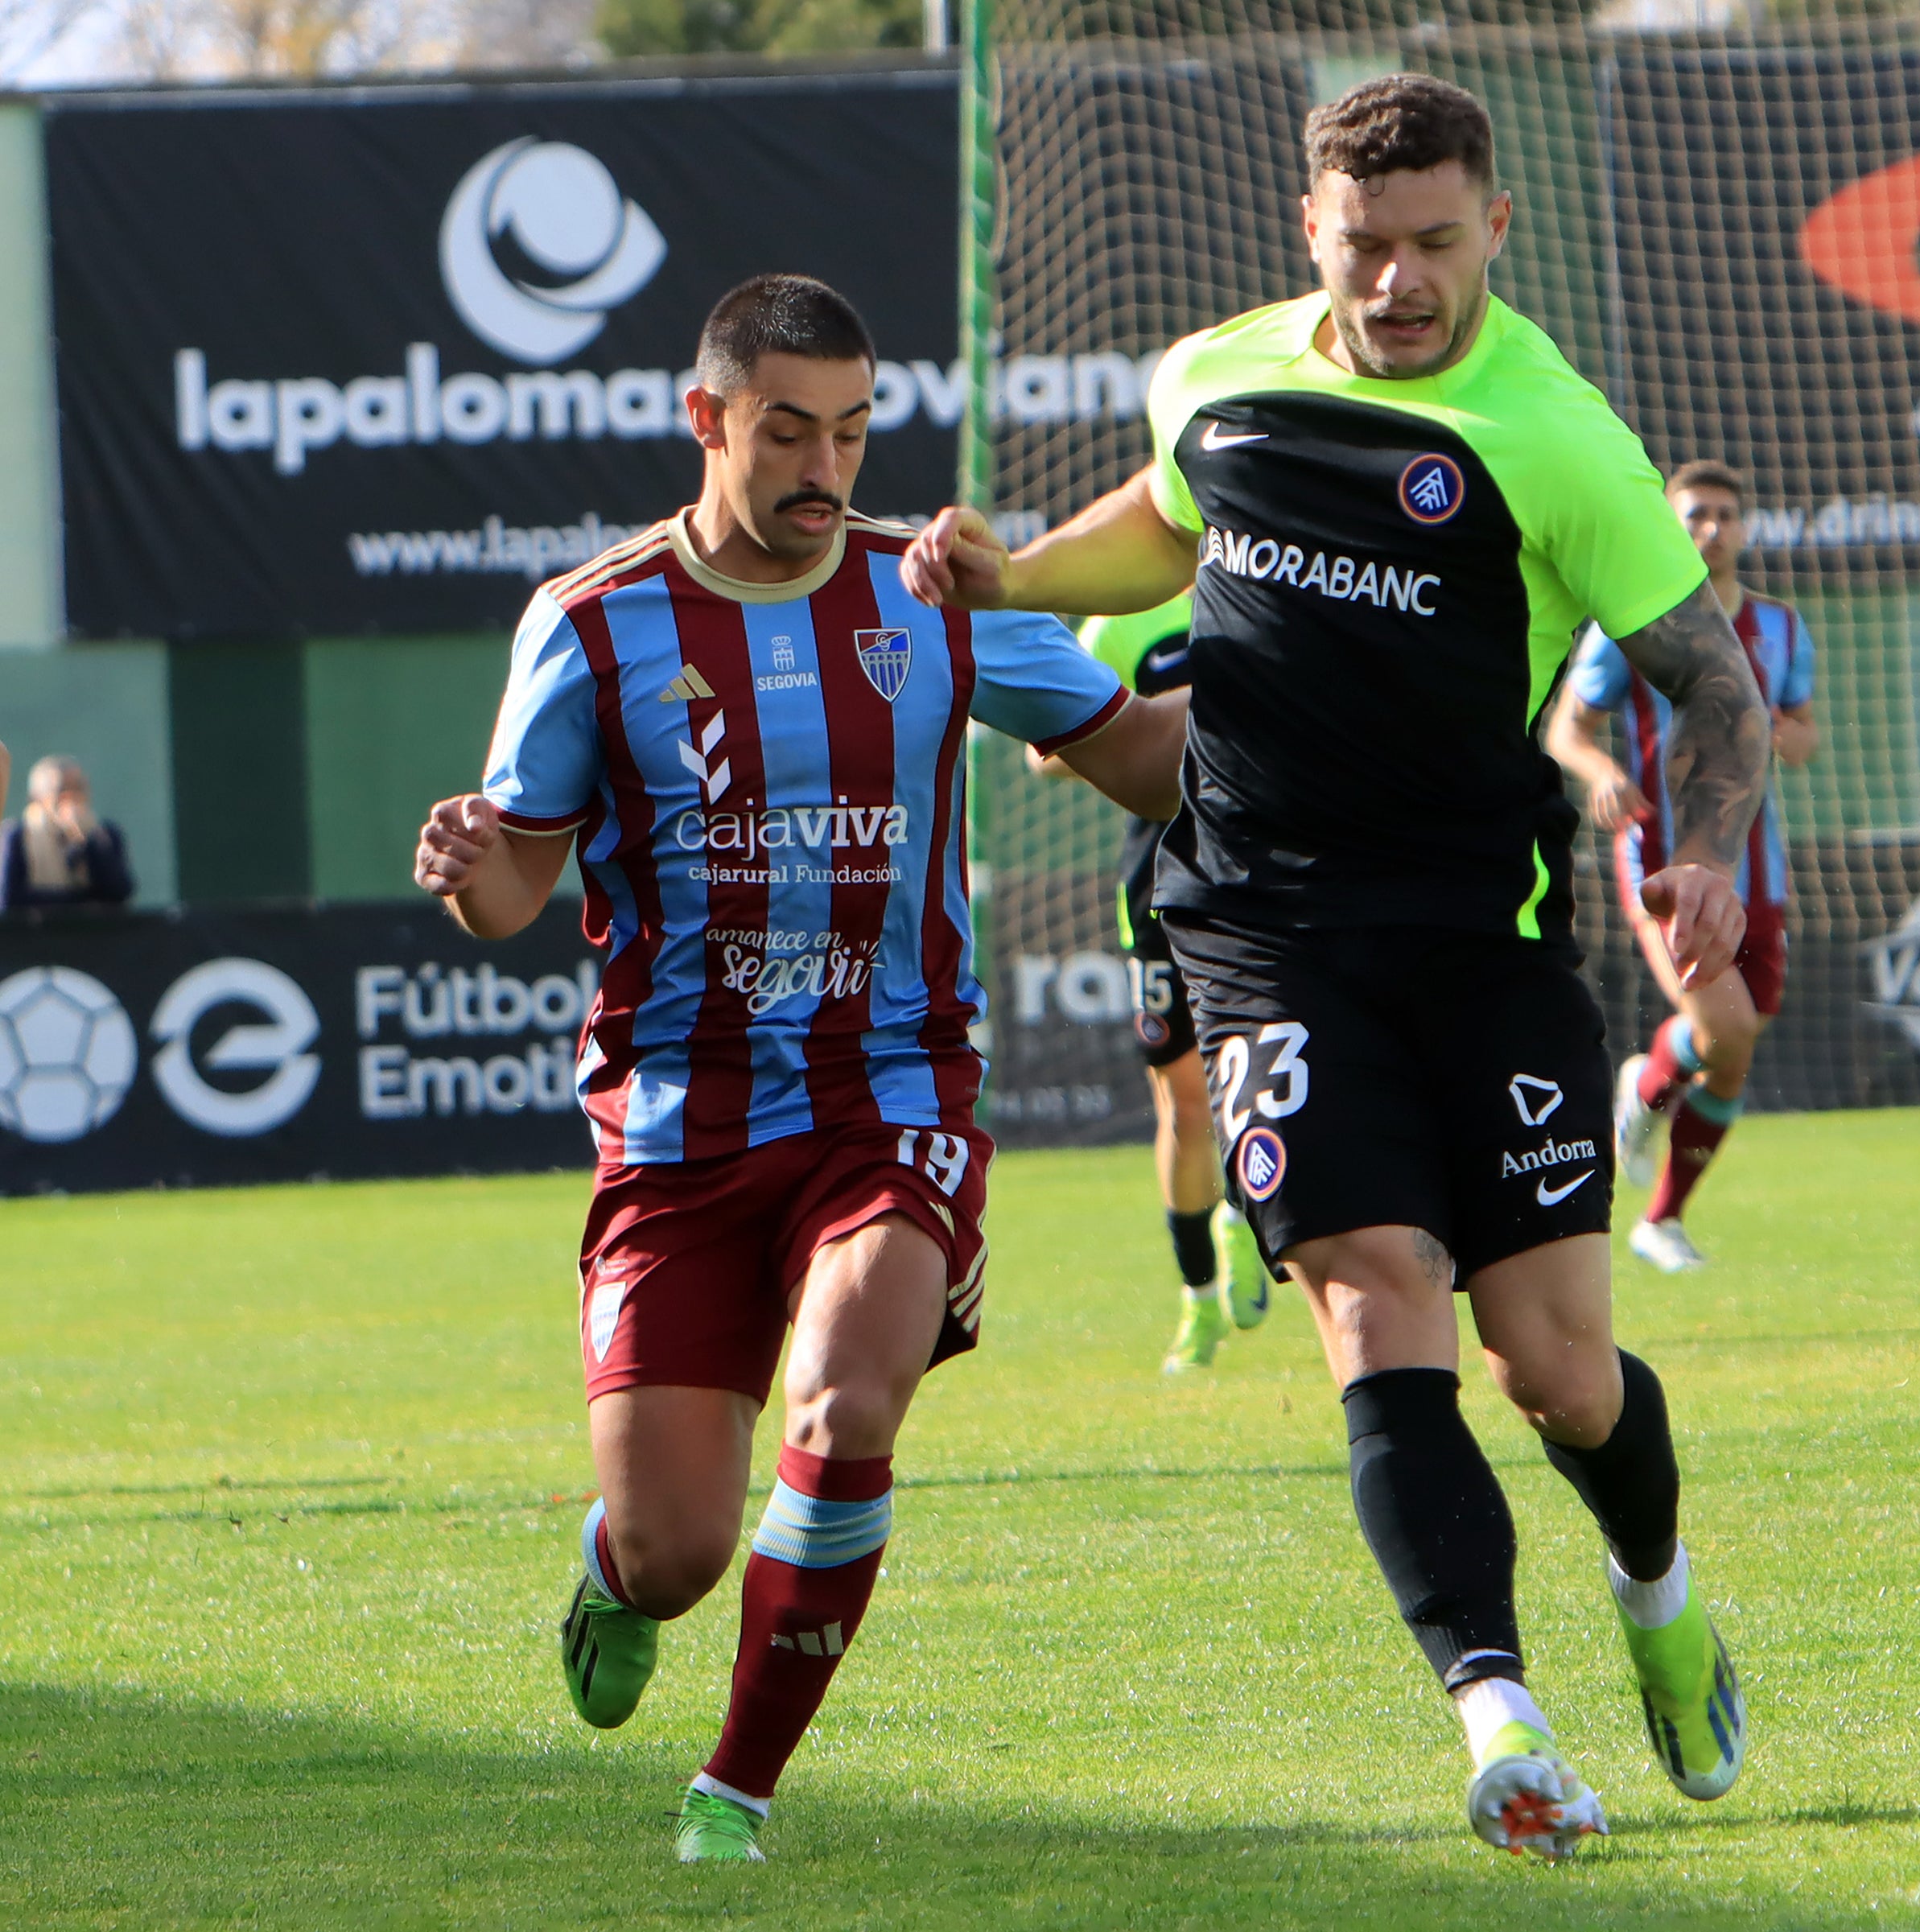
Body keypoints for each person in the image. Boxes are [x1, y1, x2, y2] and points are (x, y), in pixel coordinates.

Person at [902, 75, 1770, 1860]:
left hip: (1481, 941)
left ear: (1493, 232)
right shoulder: (1216, 370)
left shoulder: (1553, 430)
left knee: (1559, 1374)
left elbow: (1709, 680)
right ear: (1311, 229)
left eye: (1435, 247)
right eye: (1366, 247)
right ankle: (1501, 1719)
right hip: (1266, 932)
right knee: (1374, 1297)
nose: (1398, 285)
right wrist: (1005, 578)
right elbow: (1164, 516)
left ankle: (1660, 1593)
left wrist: (1700, 852)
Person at [410, 274, 1183, 1866]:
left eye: (849, 429)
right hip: (678, 1138)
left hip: (888, 1103)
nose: (824, 467)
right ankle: (616, 1573)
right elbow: (510, 894)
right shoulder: (593, 621)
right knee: (678, 1544)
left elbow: (1143, 759)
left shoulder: (932, 595)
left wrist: (1328, 703)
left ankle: (733, 1795)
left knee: (846, 1391)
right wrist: (468, 863)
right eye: (786, 431)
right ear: (706, 420)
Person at [1544, 459, 1818, 1273]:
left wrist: (1766, 728)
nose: (1711, 529)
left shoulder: (1781, 628)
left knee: (1733, 1044)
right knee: (1724, 1027)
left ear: (1744, 527)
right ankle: (1651, 1103)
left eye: (1725, 515)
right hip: (1661, 865)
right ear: (1669, 524)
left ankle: (1661, 1201)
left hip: (1755, 871)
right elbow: (1568, 729)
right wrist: (1603, 773)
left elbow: (1803, 736)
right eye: (1694, 514)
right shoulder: (1630, 623)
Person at [1026, 589, 1274, 1370]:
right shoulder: (1118, 620)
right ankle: (1198, 1297)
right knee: (1186, 1098)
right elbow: (1047, 752)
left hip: (1262, 871)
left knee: (1269, 1064)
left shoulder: (1261, 580)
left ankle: (1251, 1207)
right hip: (1159, 882)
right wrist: (1149, 732)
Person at [1, 755, 137, 912]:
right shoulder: (18, 836)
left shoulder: (103, 834)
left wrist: (88, 841)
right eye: (61, 790)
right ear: (37, 798)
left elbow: (119, 895)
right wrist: (82, 902)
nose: (71, 798)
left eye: (78, 788)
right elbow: (10, 900)